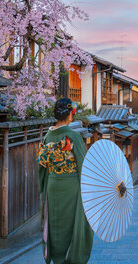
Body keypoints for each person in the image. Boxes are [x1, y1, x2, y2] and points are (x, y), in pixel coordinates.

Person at [37, 97, 94, 264]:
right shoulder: (73, 136)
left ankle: (57, 258)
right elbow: (85, 166)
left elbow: (41, 167)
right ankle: (73, 258)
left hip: (53, 184)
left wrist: (44, 186)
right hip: (71, 186)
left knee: (55, 223)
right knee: (72, 224)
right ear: (70, 115)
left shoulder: (47, 136)